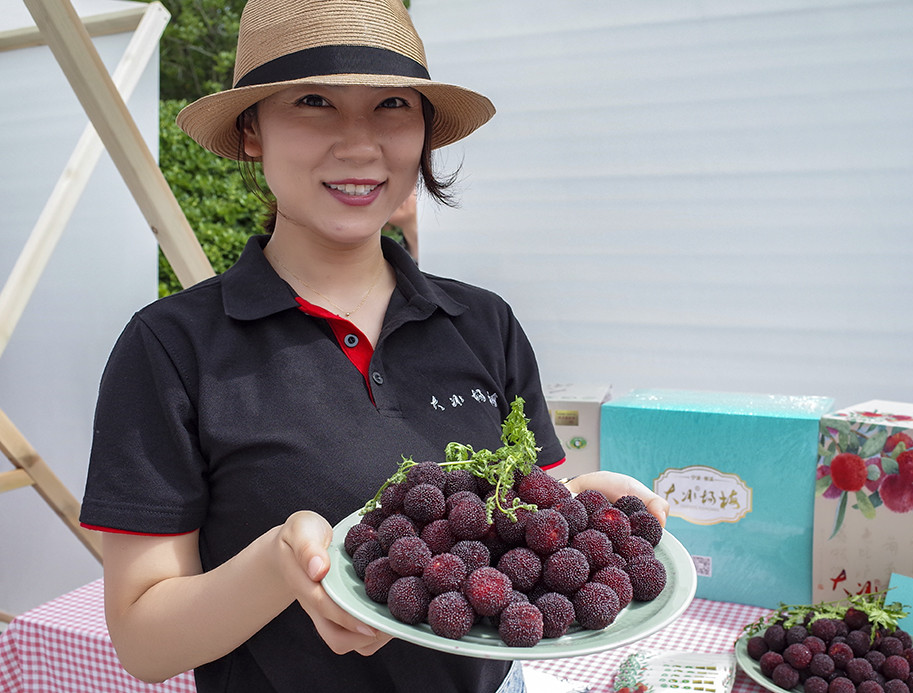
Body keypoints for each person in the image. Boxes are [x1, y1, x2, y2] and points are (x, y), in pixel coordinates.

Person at [80, 1, 669, 692]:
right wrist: (278, 564)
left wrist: (588, 503)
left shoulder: (484, 322)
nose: (359, 143)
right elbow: (143, 641)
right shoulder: (170, 348)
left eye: (392, 103)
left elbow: (525, 509)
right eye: (313, 101)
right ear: (251, 131)